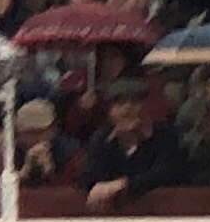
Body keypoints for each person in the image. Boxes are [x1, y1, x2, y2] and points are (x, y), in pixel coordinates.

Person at [76, 75, 187, 210]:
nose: (126, 110)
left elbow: (167, 173)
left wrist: (124, 184)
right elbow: (86, 176)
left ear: (146, 106)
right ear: (110, 111)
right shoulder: (101, 138)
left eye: (134, 102)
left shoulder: (164, 136)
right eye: (119, 103)